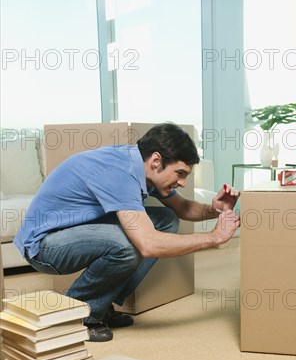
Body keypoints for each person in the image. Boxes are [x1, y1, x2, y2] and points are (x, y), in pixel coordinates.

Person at [14, 123, 240, 342]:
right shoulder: (120, 173)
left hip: (72, 231)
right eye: (180, 173)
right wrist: (214, 237)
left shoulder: (141, 167)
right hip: (44, 246)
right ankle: (80, 315)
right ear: (156, 160)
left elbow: (182, 208)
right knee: (126, 245)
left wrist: (215, 209)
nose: (182, 182)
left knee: (165, 220)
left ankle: (102, 304)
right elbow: (149, 244)